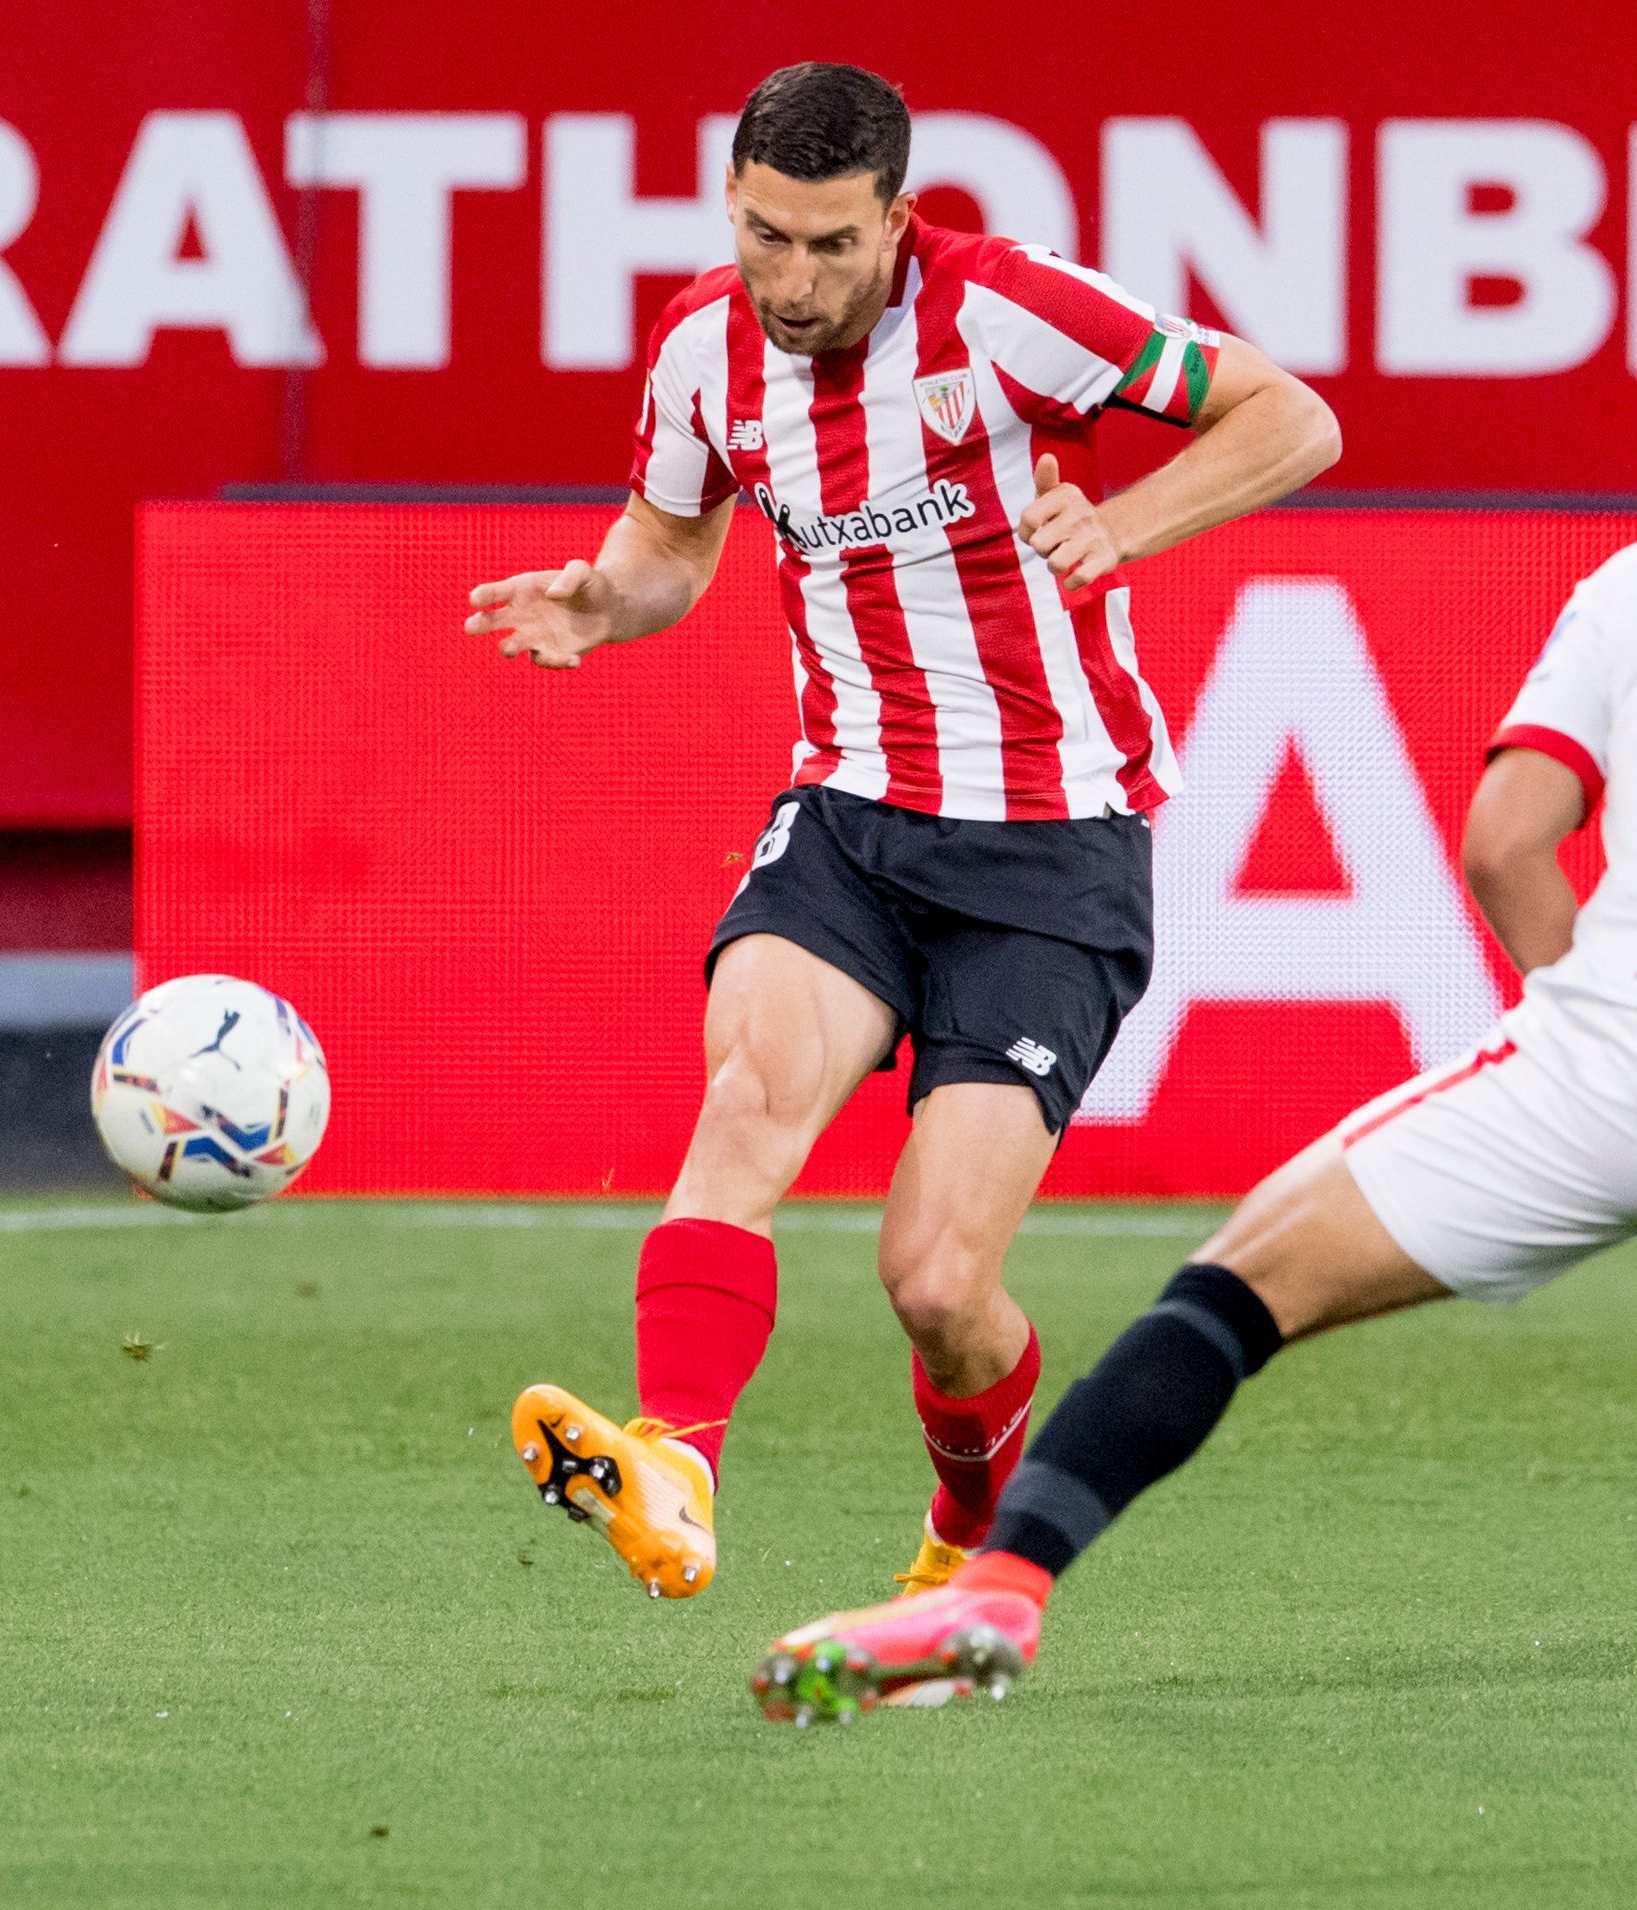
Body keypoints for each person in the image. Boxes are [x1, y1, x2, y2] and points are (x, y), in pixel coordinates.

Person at [754, 279, 1637, 1893]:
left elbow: (1506, 840)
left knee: (1247, 1279)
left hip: (1618, 1064)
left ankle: (1006, 1582)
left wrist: (1605, 1041)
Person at [469, 62, 1339, 1603]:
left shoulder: (1009, 310)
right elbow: (670, 544)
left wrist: (1126, 525)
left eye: (831, 246)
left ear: (897, 220)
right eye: (765, 237)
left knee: (938, 1284)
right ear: (730, 207)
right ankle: (675, 1461)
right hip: (852, 811)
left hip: (1052, 844)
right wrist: (604, 604)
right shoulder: (703, 348)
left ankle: (968, 1535)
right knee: (748, 1097)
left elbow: (1294, 417)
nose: (794, 282)